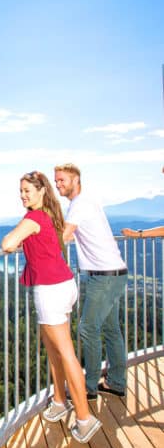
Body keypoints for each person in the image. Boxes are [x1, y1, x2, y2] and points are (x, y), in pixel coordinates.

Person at [2, 170, 101, 444]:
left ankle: (85, 418)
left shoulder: (33, 218)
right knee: (54, 349)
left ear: (41, 191)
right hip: (64, 285)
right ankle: (59, 400)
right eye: (20, 191)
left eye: (27, 191)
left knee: (66, 354)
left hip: (50, 291)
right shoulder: (48, 214)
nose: (23, 196)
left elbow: (7, 244)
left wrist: (19, 240)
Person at [54, 163, 128, 401]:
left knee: (88, 328)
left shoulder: (79, 205)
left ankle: (88, 388)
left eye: (62, 180)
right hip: (115, 272)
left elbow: (64, 237)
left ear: (76, 180)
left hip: (103, 277)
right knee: (111, 329)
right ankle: (116, 382)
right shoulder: (89, 202)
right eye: (56, 181)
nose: (58, 185)